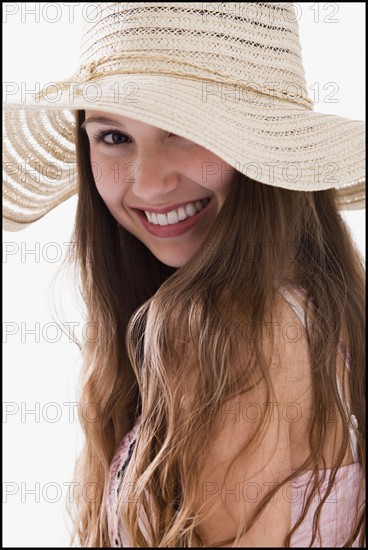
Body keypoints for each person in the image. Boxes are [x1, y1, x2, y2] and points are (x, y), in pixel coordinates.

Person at [3, 2, 365, 547]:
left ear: (265, 143)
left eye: (182, 129)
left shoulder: (231, 330)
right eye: (112, 137)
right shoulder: (328, 311)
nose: (147, 183)